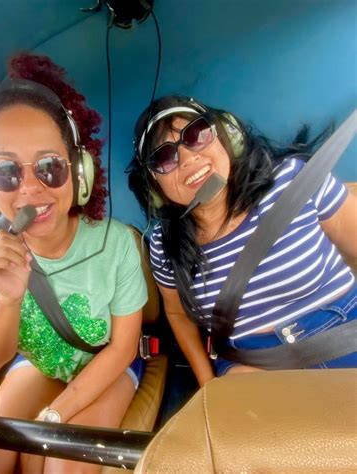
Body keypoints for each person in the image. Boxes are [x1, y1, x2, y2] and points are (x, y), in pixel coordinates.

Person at [0, 52, 147, 474]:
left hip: (108, 364)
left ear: (78, 171)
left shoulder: (115, 242)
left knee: (60, 466)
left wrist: (53, 417)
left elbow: (122, 347)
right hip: (39, 365)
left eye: (49, 166)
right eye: (6, 170)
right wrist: (7, 300)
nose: (29, 189)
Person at [127, 95, 357, 386]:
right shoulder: (165, 244)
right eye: (164, 157)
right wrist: (207, 382)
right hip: (253, 364)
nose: (187, 159)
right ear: (153, 184)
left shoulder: (294, 180)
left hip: (343, 333)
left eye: (196, 135)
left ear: (227, 135)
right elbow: (177, 313)